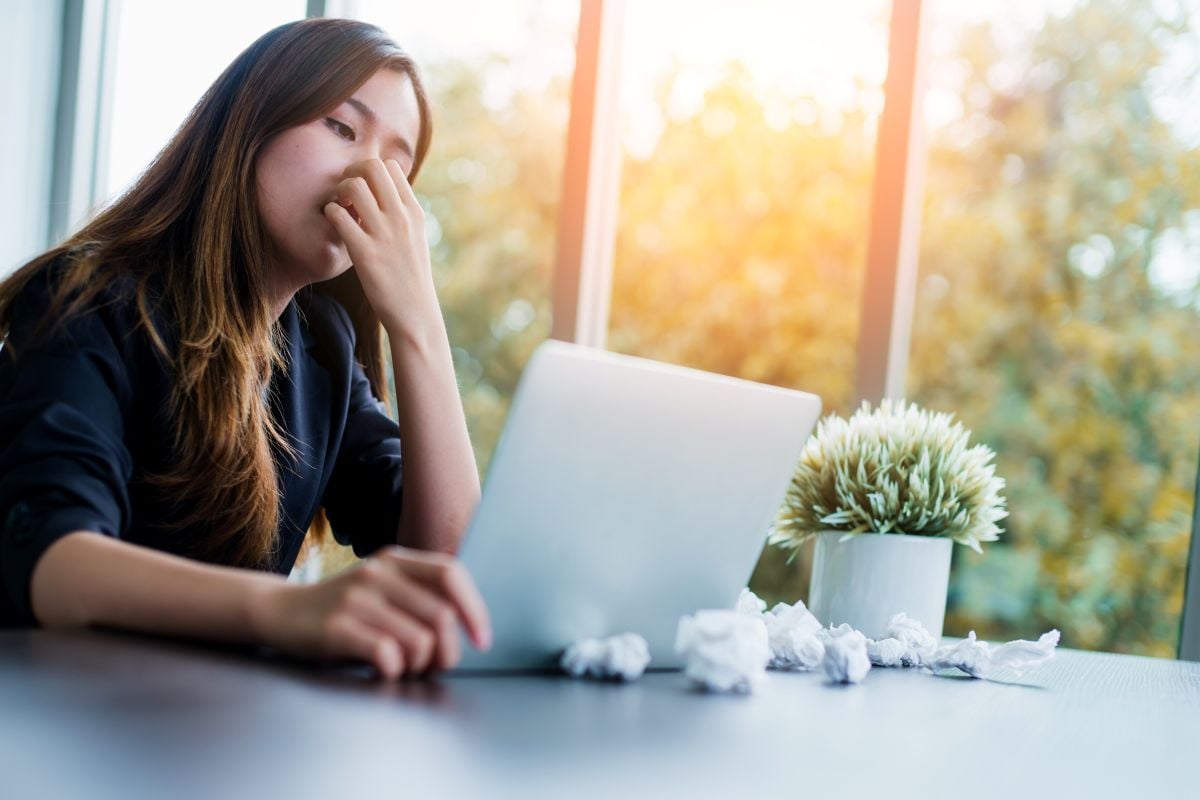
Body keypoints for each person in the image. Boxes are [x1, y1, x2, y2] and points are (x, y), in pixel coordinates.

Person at [0, 17, 492, 680]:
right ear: (252, 124)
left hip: (217, 737)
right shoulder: (94, 297)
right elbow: (50, 561)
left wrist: (418, 324)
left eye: (398, 169)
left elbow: (448, 563)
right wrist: (287, 611)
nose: (368, 176)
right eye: (341, 128)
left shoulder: (322, 348)